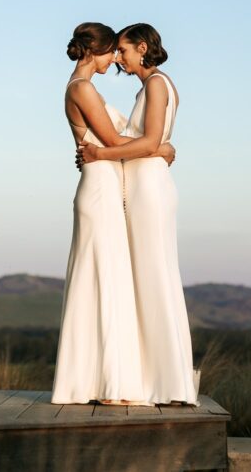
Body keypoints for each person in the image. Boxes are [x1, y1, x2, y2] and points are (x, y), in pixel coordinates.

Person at [51, 22, 175, 406]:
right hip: (101, 187)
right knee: (103, 276)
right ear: (96, 51)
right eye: (112, 52)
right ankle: (104, 383)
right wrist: (162, 149)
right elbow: (114, 141)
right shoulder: (82, 88)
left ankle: (105, 380)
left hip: (105, 181)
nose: (116, 60)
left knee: (110, 276)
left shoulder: (84, 87)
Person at [77, 23, 199, 406]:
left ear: (142, 47)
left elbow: (150, 140)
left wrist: (101, 155)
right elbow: (151, 143)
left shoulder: (157, 84)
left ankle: (174, 383)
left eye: (125, 52)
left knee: (156, 276)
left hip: (149, 188)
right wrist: (155, 149)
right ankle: (155, 380)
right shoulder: (149, 87)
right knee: (146, 278)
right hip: (142, 185)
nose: (120, 60)